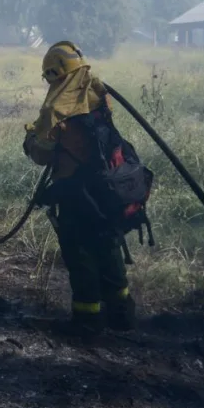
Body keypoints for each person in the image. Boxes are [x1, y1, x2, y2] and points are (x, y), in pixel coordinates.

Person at [22, 41, 136, 340]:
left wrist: (31, 140)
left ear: (55, 73)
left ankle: (87, 321)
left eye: (49, 77)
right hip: (108, 187)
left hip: (76, 192)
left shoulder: (56, 108)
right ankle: (121, 313)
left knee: (81, 253)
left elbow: (43, 154)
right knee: (108, 246)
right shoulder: (97, 92)